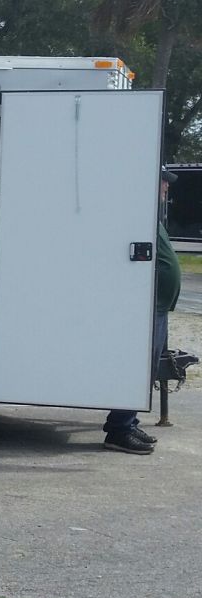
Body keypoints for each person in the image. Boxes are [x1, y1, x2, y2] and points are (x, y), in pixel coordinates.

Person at [103, 167, 182, 454]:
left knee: (146, 368)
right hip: (145, 305)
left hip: (157, 306)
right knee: (136, 367)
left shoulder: (150, 213)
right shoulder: (136, 212)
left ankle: (129, 421)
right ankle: (119, 430)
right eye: (163, 182)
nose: (166, 188)